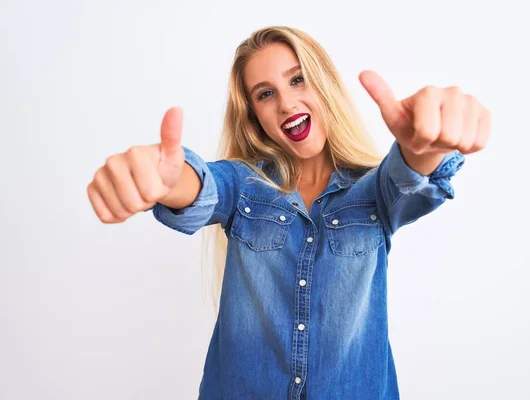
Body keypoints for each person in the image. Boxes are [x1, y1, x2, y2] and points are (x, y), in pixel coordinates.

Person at [87, 26, 490, 400]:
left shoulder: (374, 193)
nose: (285, 103)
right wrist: (161, 177)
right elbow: (201, 184)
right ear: (255, 116)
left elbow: (411, 174)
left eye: (297, 79)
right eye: (265, 94)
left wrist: (427, 145)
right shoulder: (246, 187)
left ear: (324, 84)